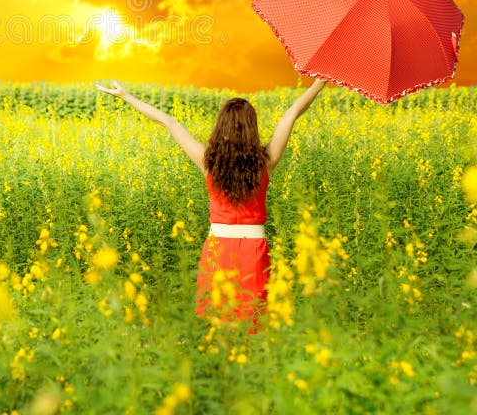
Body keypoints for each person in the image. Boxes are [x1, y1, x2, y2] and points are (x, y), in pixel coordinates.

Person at [94, 77, 328, 331]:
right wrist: (319, 83)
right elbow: (292, 113)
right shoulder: (266, 160)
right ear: (252, 127)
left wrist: (126, 96)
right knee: (254, 323)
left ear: (221, 127)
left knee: (217, 323)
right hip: (254, 250)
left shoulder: (208, 161)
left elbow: (169, 122)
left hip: (218, 249)